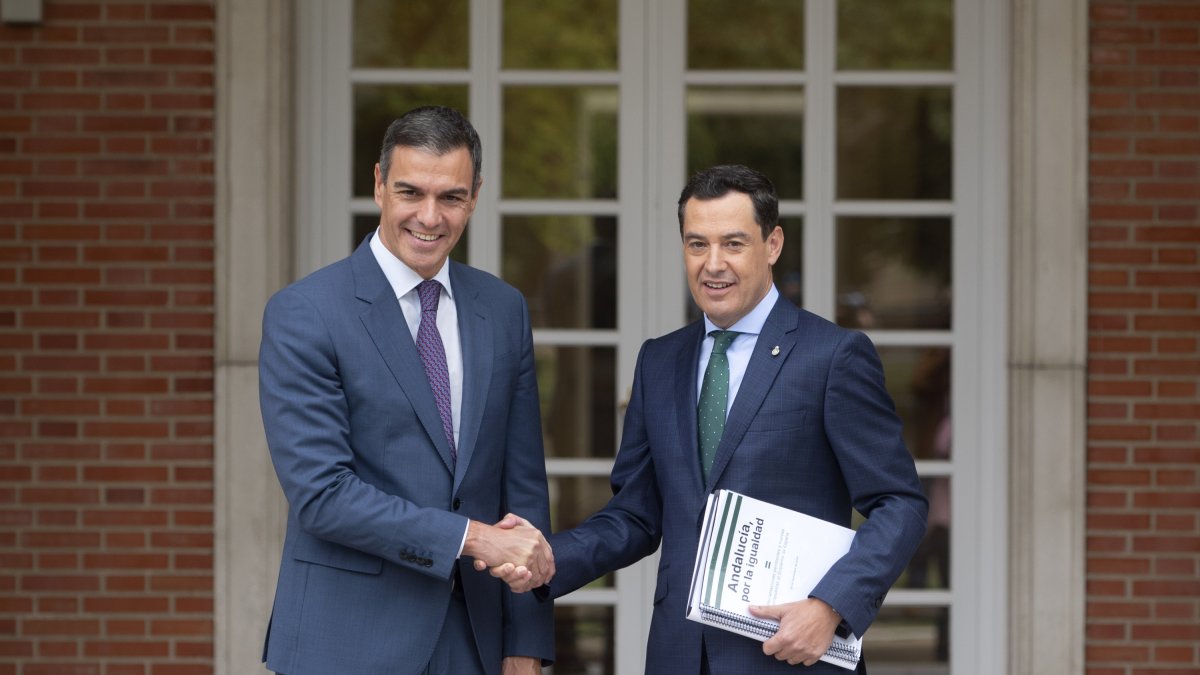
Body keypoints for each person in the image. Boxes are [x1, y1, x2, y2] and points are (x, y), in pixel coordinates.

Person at [484, 164, 928, 674]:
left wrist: (831, 607)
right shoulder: (659, 361)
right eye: (697, 245)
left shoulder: (833, 357)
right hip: (678, 655)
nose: (713, 264)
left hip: (790, 654)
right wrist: (547, 560)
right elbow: (636, 514)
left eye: (733, 244)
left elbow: (899, 503)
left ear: (773, 244)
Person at [258, 105, 554, 675]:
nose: (429, 216)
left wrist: (527, 641)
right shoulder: (306, 313)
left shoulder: (503, 309)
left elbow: (523, 491)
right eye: (410, 192)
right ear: (378, 185)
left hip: (476, 643)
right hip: (345, 643)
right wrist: (473, 539)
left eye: (451, 197)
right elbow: (322, 494)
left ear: (476, 195)